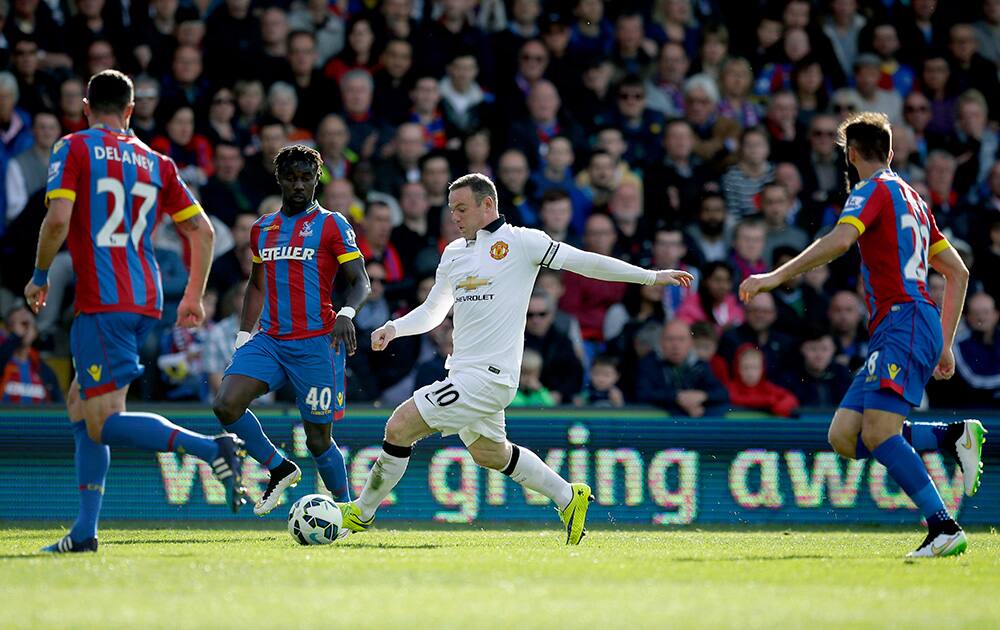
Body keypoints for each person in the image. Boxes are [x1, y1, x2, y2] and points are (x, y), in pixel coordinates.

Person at [339, 173, 692, 545]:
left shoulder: (523, 242)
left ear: (487, 204)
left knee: (399, 426)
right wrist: (394, 328)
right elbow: (434, 310)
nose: (454, 217)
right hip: (463, 372)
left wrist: (651, 277)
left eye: (461, 208)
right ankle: (568, 497)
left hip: (489, 377)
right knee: (490, 452)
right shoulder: (454, 253)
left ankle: (361, 513)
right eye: (450, 209)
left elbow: (584, 262)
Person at [739, 112, 985, 558]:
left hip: (903, 321)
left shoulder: (870, 191)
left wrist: (774, 276)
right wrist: (944, 341)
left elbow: (839, 241)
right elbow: (958, 272)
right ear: (890, 152)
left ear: (850, 155)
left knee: (880, 433)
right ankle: (953, 437)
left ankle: (943, 526)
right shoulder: (913, 197)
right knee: (846, 436)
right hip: (910, 323)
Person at [24, 70, 244, 554]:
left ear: (85, 107)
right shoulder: (157, 162)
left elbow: (58, 219)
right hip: (145, 297)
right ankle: (84, 532)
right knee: (82, 406)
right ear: (129, 111)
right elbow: (203, 233)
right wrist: (192, 296)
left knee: (103, 420)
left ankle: (212, 449)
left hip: (103, 302)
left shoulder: (74, 147)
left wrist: (40, 276)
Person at [212, 145, 371, 516]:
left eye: (306, 177)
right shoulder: (262, 228)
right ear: (279, 179)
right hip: (270, 340)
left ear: (317, 179)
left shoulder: (332, 224)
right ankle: (279, 467)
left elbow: (360, 281)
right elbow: (255, 284)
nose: (299, 184)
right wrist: (243, 335)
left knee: (318, 441)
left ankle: (347, 512)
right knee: (226, 403)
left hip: (318, 343)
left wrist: (347, 312)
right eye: (291, 177)